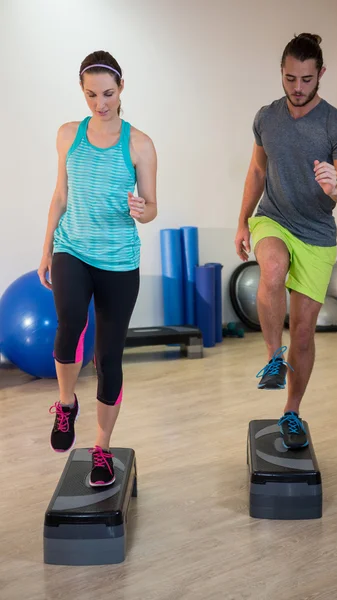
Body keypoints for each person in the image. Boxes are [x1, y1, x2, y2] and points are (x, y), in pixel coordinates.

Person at [235, 33, 337, 449]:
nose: (297, 88)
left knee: (305, 334)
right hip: (272, 218)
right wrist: (242, 222)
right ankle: (274, 357)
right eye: (290, 78)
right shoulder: (266, 118)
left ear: (320, 74)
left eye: (306, 79)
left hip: (317, 233)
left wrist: (336, 189)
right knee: (272, 269)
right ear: (282, 72)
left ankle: (291, 411)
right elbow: (257, 172)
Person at [38, 50, 157, 486]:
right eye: (91, 94)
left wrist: (142, 209)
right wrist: (48, 247)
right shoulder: (69, 135)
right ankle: (66, 404)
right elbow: (60, 195)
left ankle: (102, 448)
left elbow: (151, 207)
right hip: (72, 248)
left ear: (121, 88)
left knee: (108, 358)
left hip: (119, 261)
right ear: (82, 91)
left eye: (107, 94)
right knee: (69, 323)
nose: (99, 103)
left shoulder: (139, 143)